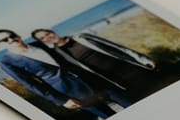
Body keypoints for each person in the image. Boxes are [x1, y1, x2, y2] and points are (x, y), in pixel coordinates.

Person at [0, 28, 131, 118]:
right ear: (1, 44)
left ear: (17, 34)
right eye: (4, 40)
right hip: (71, 92)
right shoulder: (6, 62)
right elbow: (31, 85)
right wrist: (61, 101)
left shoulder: (39, 44)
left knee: (130, 104)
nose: (10, 39)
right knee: (110, 118)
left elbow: (64, 51)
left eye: (11, 35)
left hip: (92, 80)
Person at [31, 26, 161, 103]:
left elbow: (116, 47)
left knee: (160, 86)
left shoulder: (81, 36)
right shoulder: (58, 54)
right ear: (42, 42)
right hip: (115, 78)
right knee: (147, 96)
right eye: (43, 38)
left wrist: (143, 59)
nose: (48, 37)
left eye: (47, 33)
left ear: (52, 31)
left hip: (130, 67)